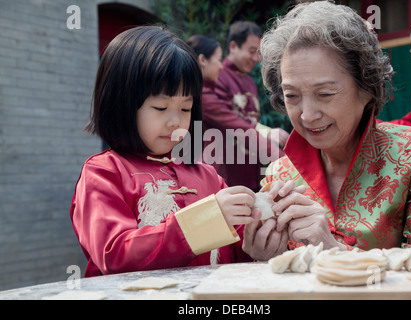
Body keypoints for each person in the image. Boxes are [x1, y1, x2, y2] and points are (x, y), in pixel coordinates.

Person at [70, 26, 290, 277]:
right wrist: (203, 220)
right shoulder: (104, 173)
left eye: (186, 109)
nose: (176, 121)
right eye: (161, 107)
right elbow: (114, 254)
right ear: (120, 103)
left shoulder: (208, 176)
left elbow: (236, 253)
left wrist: (265, 224)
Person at [253, 1, 411, 253]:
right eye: (292, 96)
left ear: (367, 88)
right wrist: (267, 257)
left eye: (325, 94)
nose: (308, 115)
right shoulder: (279, 175)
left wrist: (334, 250)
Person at [209, 21, 289, 192]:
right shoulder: (218, 76)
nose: (255, 58)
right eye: (251, 51)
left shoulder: (250, 82)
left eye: (258, 53)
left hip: (251, 172)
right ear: (233, 46)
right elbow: (230, 122)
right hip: (225, 172)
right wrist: (267, 134)